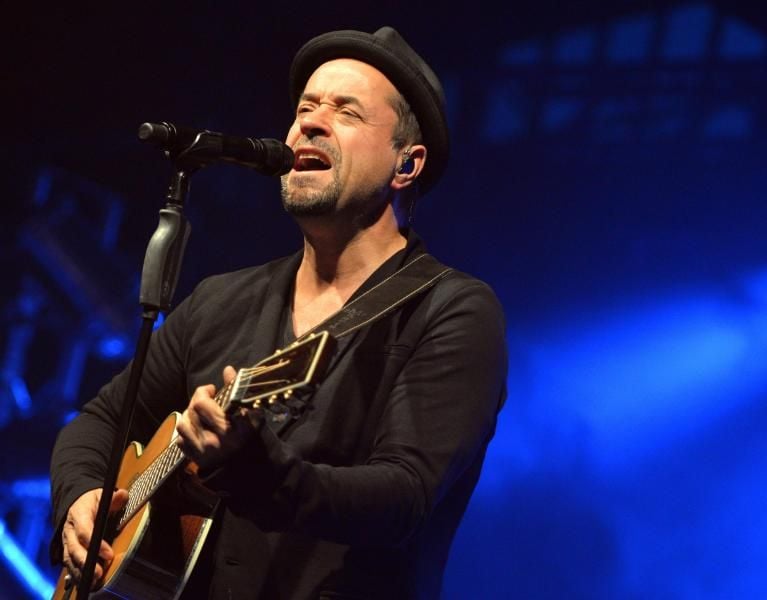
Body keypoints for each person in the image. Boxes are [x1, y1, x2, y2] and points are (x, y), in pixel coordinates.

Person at [50, 26, 507, 599]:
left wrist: (260, 470)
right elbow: (98, 423)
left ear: (406, 165)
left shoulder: (452, 312)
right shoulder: (220, 300)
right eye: (305, 108)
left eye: (346, 112)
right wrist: (81, 496)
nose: (310, 124)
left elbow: (403, 498)